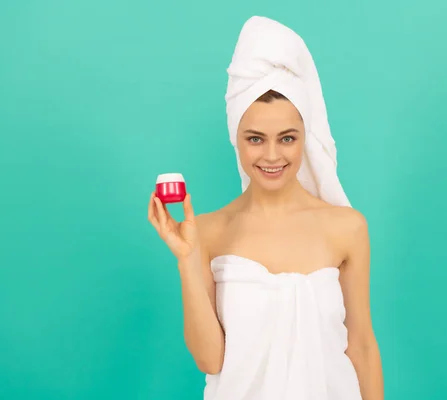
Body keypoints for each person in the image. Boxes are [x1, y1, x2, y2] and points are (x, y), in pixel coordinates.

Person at [148, 16, 383, 400]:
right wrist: (186, 260)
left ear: (305, 137)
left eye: (287, 138)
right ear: (236, 139)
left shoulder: (347, 228)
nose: (272, 155)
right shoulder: (208, 232)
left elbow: (362, 347)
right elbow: (210, 360)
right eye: (255, 139)